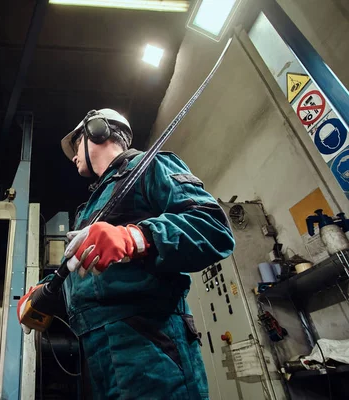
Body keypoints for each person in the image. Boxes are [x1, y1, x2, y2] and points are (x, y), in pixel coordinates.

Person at [18, 108, 235, 399]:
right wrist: (47, 292)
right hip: (98, 357)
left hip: (150, 351)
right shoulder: (89, 209)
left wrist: (135, 236)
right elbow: (91, 277)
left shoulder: (151, 166)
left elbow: (213, 228)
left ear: (98, 130)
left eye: (76, 143)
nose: (73, 157)